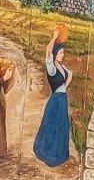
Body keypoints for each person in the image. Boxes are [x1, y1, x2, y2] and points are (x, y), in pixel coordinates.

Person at [32, 26, 74, 168]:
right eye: (61, 53)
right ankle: (49, 153)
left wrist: (63, 89)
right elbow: (48, 51)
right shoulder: (52, 68)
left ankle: (59, 154)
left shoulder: (62, 67)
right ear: (55, 54)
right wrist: (54, 37)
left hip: (62, 99)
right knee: (52, 126)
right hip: (55, 100)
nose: (63, 55)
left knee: (62, 125)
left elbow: (70, 75)